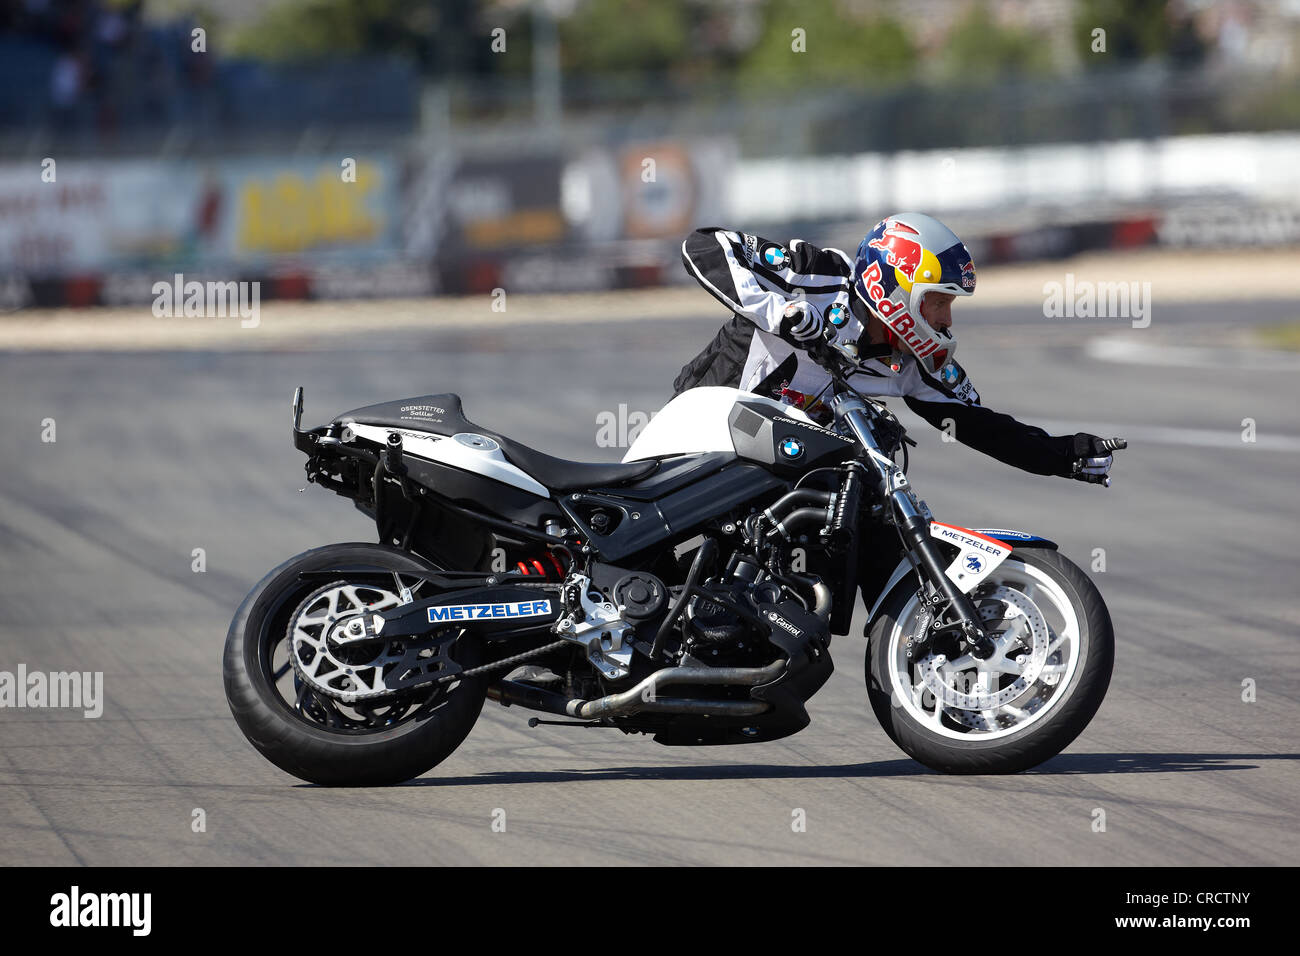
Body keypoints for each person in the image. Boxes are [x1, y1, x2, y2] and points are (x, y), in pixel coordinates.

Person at [673, 212, 1125, 484]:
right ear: (896, 287)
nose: (946, 320)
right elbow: (706, 244)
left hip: (776, 465)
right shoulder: (818, 275)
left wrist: (1063, 455)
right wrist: (776, 312)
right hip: (701, 431)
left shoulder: (911, 364)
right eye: (938, 302)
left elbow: (983, 426)